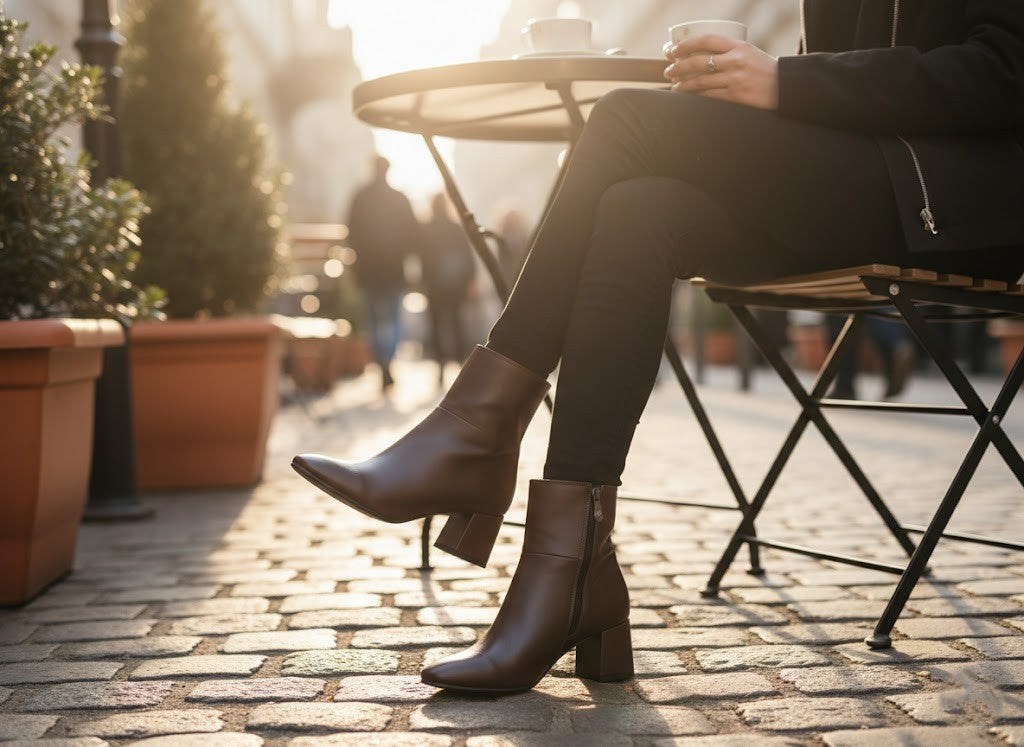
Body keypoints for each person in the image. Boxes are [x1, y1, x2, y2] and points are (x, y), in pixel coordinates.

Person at [295, 2, 1024, 694]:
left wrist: (783, 81)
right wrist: (752, 94)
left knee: (625, 119)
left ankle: (477, 435)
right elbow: (837, 66)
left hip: (953, 192)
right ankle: (572, 566)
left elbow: (1006, 70)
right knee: (636, 210)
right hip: (853, 180)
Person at [346, 155, 419, 391]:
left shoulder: (360, 197)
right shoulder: (399, 198)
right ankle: (388, 359)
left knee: (373, 320)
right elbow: (413, 234)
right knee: (394, 319)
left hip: (368, 270)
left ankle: (381, 362)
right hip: (393, 269)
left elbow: (351, 232)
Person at [418, 192, 477, 384]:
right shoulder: (455, 228)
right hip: (455, 285)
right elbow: (467, 256)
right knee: (457, 323)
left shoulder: (426, 229)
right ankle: (461, 363)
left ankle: (440, 365)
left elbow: (422, 258)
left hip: (434, 285)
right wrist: (470, 279)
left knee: (436, 325)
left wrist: (422, 282)